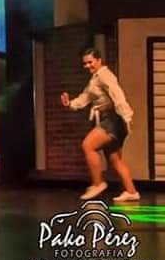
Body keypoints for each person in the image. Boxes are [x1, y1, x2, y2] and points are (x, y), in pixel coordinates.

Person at [60, 48, 140, 202]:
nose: (87, 66)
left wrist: (127, 116)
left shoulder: (104, 75)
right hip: (110, 119)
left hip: (112, 119)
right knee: (115, 159)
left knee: (88, 146)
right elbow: (85, 97)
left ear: (99, 60)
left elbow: (117, 94)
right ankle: (131, 191)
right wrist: (70, 104)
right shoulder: (95, 78)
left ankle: (98, 183)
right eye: (85, 63)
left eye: (90, 62)